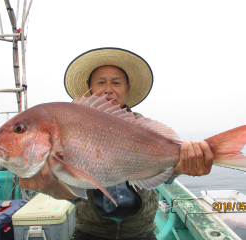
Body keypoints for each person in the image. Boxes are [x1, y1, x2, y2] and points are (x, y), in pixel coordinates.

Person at [19, 48, 214, 240]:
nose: (108, 88)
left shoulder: (144, 128)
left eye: (116, 82)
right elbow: (75, 193)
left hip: (141, 231)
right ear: (90, 88)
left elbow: (165, 177)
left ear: (127, 89)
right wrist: (52, 188)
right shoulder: (70, 124)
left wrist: (181, 167)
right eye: (101, 82)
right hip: (91, 231)